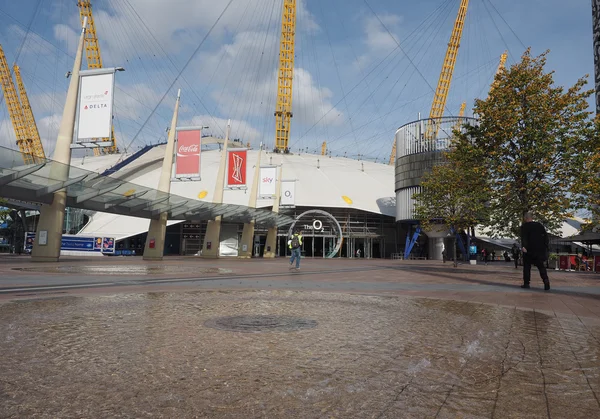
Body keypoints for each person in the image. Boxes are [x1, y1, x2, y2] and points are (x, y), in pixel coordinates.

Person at [520, 212, 550, 290]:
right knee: (541, 266)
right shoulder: (540, 225)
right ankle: (546, 281)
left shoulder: (524, 226)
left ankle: (526, 283)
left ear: (525, 218)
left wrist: (524, 246)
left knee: (527, 267)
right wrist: (545, 247)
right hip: (539, 250)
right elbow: (546, 237)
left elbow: (524, 237)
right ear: (532, 218)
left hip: (529, 250)